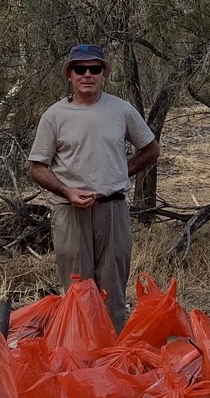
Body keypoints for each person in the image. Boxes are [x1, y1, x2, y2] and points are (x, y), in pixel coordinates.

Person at [26, 43, 160, 331]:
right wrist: (67, 191)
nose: (87, 74)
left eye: (94, 68)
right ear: (69, 75)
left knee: (112, 289)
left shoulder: (121, 110)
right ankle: (81, 358)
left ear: (104, 74)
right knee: (78, 289)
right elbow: (37, 167)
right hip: (69, 211)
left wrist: (121, 172)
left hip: (112, 207)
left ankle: (112, 359)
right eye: (80, 69)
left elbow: (150, 149)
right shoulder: (54, 115)